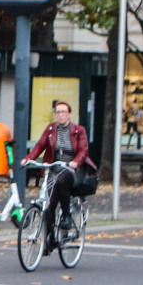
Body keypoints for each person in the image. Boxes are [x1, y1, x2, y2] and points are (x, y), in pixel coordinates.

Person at [22, 100, 92, 247]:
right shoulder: (51, 129)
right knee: (49, 205)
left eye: (63, 112)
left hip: (71, 170)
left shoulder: (79, 130)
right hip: (53, 169)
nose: (60, 115)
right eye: (58, 112)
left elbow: (83, 151)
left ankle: (66, 215)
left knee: (61, 180)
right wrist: (28, 159)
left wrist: (75, 162)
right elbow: (39, 146)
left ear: (69, 114)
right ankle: (50, 240)